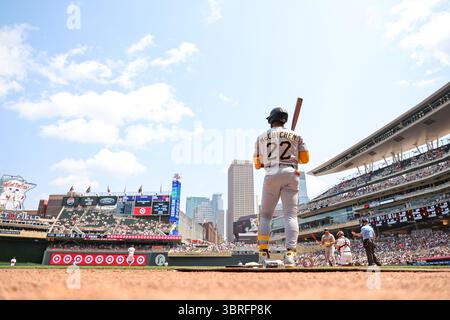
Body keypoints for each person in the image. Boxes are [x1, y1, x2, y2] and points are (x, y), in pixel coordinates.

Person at [254, 107, 309, 267]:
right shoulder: (296, 135)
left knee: (265, 216)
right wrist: (294, 151)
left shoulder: (261, 137)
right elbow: (305, 159)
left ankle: (263, 254)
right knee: (290, 216)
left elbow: (257, 164)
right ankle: (290, 255)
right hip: (291, 173)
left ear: (271, 120)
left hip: (271, 173)